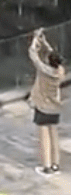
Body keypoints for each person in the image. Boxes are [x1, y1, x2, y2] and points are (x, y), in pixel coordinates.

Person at [29, 28, 66, 175]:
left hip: (43, 106)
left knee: (44, 137)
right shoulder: (60, 71)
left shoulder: (44, 70)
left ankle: (46, 166)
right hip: (55, 107)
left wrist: (35, 39)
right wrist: (44, 42)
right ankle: (56, 164)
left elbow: (32, 54)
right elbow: (53, 56)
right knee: (54, 135)